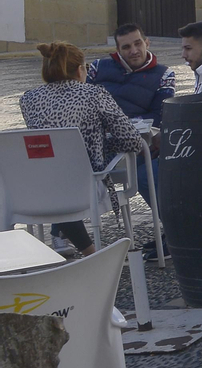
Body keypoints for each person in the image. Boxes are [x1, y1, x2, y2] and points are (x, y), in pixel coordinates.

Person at [18, 42, 143, 257]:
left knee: (58, 182)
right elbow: (132, 141)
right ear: (80, 70)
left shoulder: (28, 99)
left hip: (42, 190)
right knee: (70, 181)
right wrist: (102, 143)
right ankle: (95, 256)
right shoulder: (93, 94)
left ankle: (90, 253)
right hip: (86, 186)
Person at [87, 22, 174, 259]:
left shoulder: (164, 74)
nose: (133, 50)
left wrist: (119, 125)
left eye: (138, 43)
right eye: (126, 47)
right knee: (69, 163)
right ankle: (64, 230)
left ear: (147, 43)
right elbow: (85, 106)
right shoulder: (97, 68)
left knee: (149, 173)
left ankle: (173, 233)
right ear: (117, 50)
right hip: (97, 145)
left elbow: (159, 115)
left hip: (136, 146)